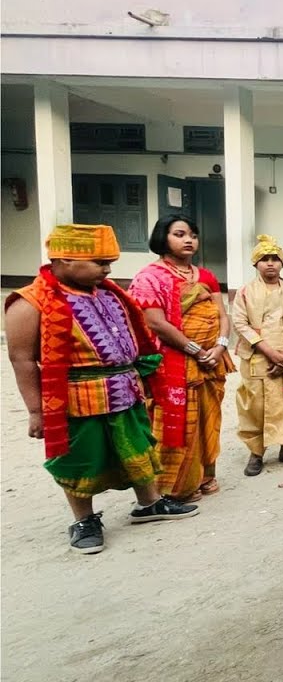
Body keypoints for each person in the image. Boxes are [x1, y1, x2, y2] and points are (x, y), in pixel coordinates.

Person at [6, 224, 198, 553]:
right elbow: (21, 360)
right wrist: (36, 411)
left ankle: (149, 504)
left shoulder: (109, 293)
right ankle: (84, 519)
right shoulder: (29, 303)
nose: (107, 269)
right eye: (99, 262)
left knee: (139, 447)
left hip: (125, 390)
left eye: (108, 262)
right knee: (81, 458)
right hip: (76, 399)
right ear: (63, 260)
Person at [129, 215, 233, 501]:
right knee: (172, 420)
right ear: (163, 238)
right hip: (174, 362)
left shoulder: (206, 276)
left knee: (208, 417)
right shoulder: (150, 277)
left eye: (193, 235)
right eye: (180, 234)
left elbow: (223, 315)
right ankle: (176, 484)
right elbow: (156, 323)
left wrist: (221, 346)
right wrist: (196, 351)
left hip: (212, 359)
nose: (189, 240)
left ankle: (206, 474)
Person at [232, 235, 283, 476]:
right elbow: (240, 323)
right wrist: (269, 352)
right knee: (255, 405)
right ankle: (256, 452)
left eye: (275, 259)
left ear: (282, 264)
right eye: (264, 259)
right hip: (258, 356)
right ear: (255, 264)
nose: (270, 264)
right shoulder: (245, 292)